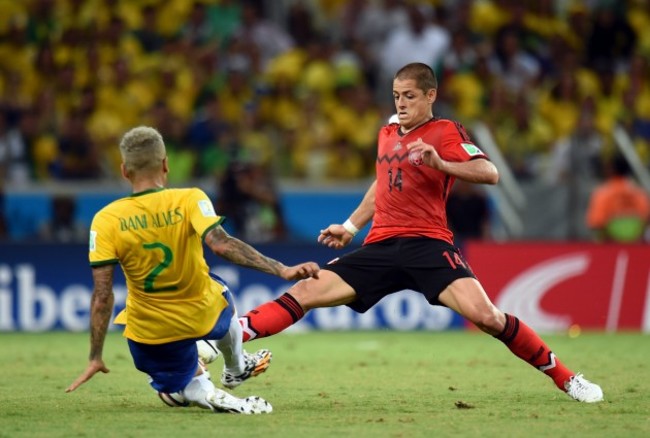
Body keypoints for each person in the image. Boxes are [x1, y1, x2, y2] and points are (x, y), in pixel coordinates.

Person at [237, 63, 604, 403]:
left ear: (431, 96)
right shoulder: (386, 133)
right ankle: (228, 344)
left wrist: (440, 163)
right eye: (397, 95)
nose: (401, 103)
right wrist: (350, 227)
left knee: (488, 317)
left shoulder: (445, 131)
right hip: (380, 244)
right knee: (305, 290)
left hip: (428, 245)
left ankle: (568, 379)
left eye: (409, 95)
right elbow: (382, 183)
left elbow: (490, 173)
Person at [65, 126, 320, 414]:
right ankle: (234, 368)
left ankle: (208, 390)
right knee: (220, 290)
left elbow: (102, 295)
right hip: (200, 313)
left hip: (148, 334)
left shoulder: (105, 220)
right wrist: (282, 269)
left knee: (179, 386)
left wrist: (95, 356)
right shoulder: (189, 199)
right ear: (165, 164)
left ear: (124, 171)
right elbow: (222, 245)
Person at [585, 154, 650, 243]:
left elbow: (596, 222)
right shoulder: (639, 192)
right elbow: (646, 219)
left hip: (611, 245)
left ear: (611, 169)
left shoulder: (602, 193)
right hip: (637, 243)